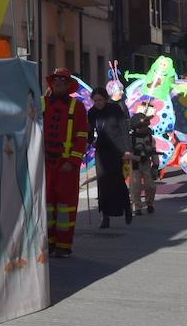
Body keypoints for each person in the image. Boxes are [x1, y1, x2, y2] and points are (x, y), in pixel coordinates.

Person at [42, 68, 89, 259]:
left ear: (68, 85)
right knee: (47, 206)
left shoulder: (76, 107)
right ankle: (48, 243)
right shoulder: (41, 104)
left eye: (62, 80)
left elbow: (81, 136)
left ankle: (63, 245)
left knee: (65, 207)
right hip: (45, 165)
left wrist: (72, 161)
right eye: (55, 79)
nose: (58, 82)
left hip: (66, 166)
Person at [87, 87, 133, 228]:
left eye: (100, 100)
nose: (98, 103)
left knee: (117, 179)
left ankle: (126, 207)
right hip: (102, 149)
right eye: (95, 101)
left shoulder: (114, 109)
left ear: (105, 99)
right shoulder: (92, 112)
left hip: (117, 148)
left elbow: (124, 130)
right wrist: (88, 141)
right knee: (102, 182)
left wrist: (126, 150)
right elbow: (89, 130)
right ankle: (105, 215)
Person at [127, 111, 159, 216]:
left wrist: (155, 165)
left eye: (146, 125)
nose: (145, 127)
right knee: (135, 186)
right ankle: (137, 206)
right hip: (135, 164)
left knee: (150, 186)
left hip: (146, 164)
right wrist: (136, 157)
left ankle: (150, 203)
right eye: (143, 126)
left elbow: (154, 152)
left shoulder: (150, 138)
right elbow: (127, 154)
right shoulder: (131, 139)